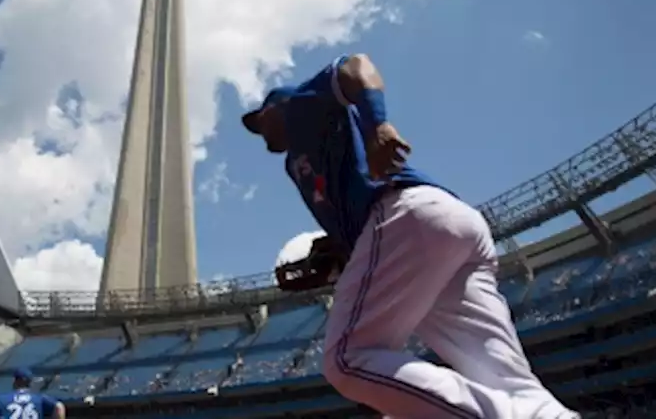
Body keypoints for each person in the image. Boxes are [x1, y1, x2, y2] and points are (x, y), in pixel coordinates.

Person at [242, 54, 577, 419]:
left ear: (274, 107)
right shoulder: (298, 161)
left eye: (259, 119)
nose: (259, 129)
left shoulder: (297, 107)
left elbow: (356, 67)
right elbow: (349, 201)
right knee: (503, 376)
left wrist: (377, 125)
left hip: (406, 213)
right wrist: (339, 249)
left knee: (347, 358)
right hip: (447, 224)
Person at [0, 368, 64, 419]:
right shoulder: (38, 398)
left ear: (15, 381)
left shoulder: (1, 400)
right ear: (30, 383)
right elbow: (59, 407)